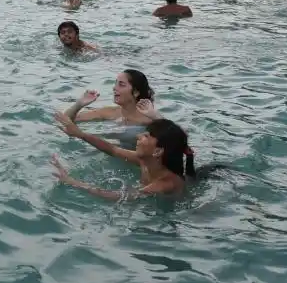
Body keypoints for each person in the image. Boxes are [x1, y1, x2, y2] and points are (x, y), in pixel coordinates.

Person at [50, 117, 207, 200]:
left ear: (158, 151)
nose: (139, 136)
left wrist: (72, 182)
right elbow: (112, 149)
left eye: (146, 136)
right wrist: (80, 134)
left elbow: (121, 197)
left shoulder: (166, 183)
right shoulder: (144, 161)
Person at [59, 71, 161, 126]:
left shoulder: (148, 119)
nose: (114, 88)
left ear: (135, 92)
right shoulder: (109, 112)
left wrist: (156, 117)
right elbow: (65, 120)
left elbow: (170, 136)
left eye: (121, 85)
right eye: (115, 83)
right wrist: (79, 104)